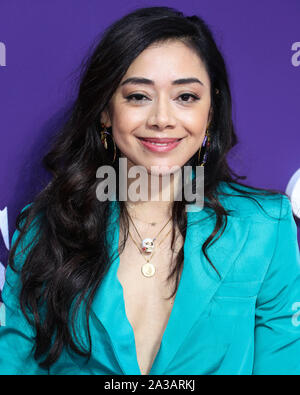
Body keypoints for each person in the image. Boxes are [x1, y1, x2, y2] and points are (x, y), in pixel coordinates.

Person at [0, 6, 299, 376]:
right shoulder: (46, 227)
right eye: (138, 96)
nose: (161, 119)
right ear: (106, 112)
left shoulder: (265, 228)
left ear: (211, 110)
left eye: (185, 97)